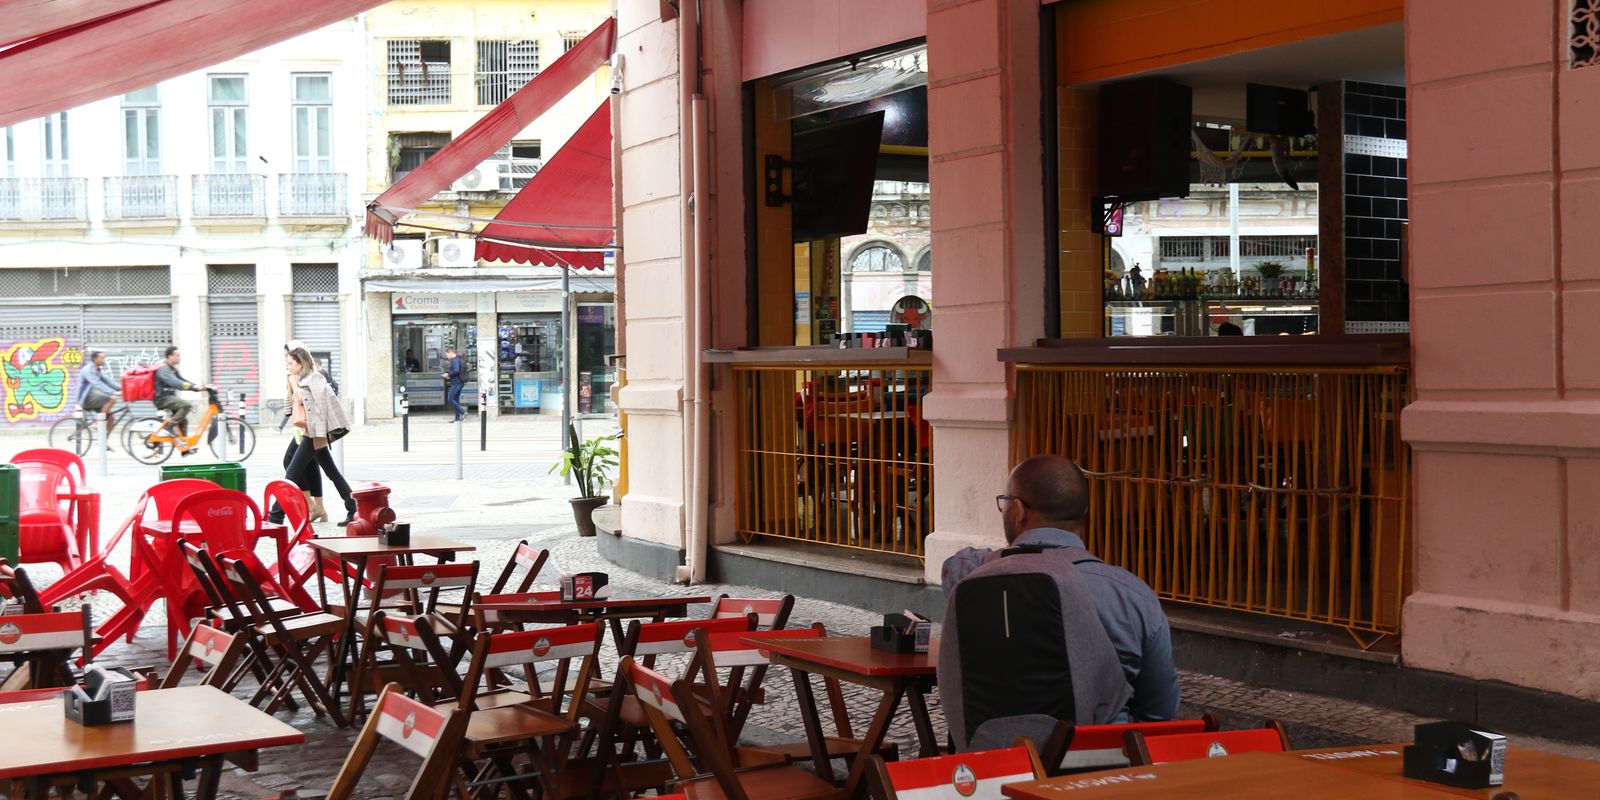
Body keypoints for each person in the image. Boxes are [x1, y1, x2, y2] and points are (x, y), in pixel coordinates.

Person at [942, 455, 1180, 722]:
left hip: (993, 747)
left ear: (1018, 510)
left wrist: (1003, 559)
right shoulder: (1132, 595)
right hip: (1103, 747)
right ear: (1084, 513)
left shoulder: (974, 578)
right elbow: (1160, 710)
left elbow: (954, 564)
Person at [285, 344, 357, 525]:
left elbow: (312, 404)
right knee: (332, 472)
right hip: (310, 431)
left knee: (292, 473)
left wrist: (293, 382)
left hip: (315, 432)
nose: (288, 367)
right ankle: (353, 509)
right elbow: (291, 404)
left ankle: (275, 516)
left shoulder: (314, 378)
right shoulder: (303, 379)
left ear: (300, 363)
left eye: (290, 363)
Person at [153, 345, 206, 451]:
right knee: (186, 405)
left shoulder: (172, 369)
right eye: (177, 355)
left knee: (183, 420)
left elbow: (182, 381)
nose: (179, 358)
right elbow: (175, 383)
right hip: (162, 399)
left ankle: (184, 447)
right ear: (170, 356)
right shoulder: (163, 369)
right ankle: (168, 428)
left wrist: (197, 387)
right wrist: (193, 387)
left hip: (169, 398)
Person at [76, 349, 121, 452]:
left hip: (92, 398)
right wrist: (114, 393)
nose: (104, 360)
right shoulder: (88, 370)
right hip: (85, 399)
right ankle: (98, 422)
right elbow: (97, 384)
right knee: (111, 399)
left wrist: (122, 388)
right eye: (102, 358)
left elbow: (108, 381)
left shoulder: (97, 369)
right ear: (95, 359)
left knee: (111, 419)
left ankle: (103, 443)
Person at [443, 345, 466, 422]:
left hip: (456, 382)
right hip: (459, 382)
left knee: (450, 399)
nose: (447, 357)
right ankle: (457, 418)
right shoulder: (457, 359)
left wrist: (448, 375)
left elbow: (456, 370)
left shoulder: (455, 360)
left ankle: (463, 412)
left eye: (447, 355)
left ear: (451, 353)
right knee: (456, 399)